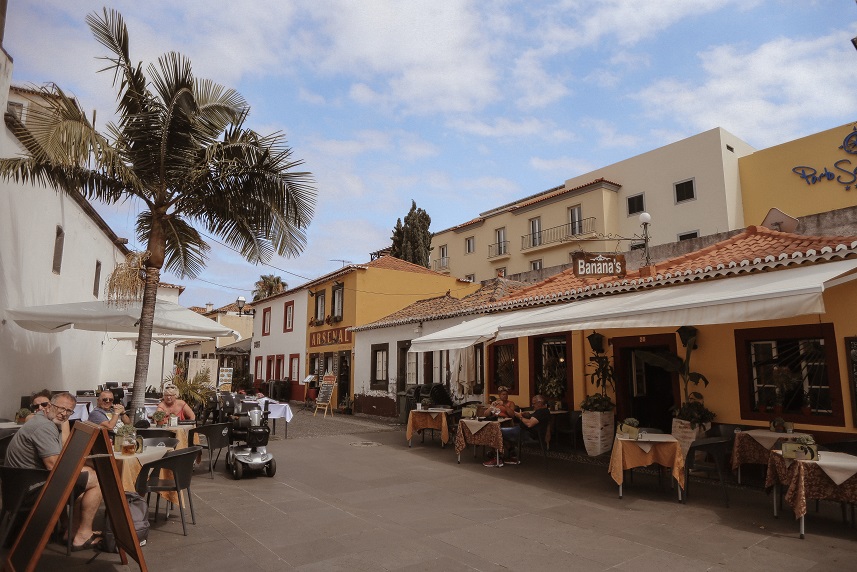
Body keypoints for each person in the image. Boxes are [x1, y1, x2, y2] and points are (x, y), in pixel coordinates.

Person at [5, 392, 103, 551]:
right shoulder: (44, 427)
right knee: (97, 478)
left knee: (86, 476)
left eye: (69, 411)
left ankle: (72, 532)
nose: (64, 413)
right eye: (60, 408)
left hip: (20, 487)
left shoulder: (43, 422)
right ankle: (83, 534)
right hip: (30, 491)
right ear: (49, 406)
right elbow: (53, 465)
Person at [484, 394, 551, 467]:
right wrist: (521, 414)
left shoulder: (542, 412)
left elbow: (529, 424)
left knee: (496, 431)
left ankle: (497, 458)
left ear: (540, 402)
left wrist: (521, 417)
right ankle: (511, 454)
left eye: (534, 403)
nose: (533, 405)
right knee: (502, 432)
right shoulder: (543, 411)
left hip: (527, 434)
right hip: (525, 431)